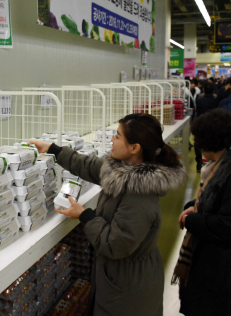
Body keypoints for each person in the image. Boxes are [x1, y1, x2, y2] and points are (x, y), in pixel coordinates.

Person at [29, 113, 186, 316]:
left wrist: (85, 216)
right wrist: (53, 150)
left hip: (129, 287)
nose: (112, 139)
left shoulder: (139, 194)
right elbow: (90, 166)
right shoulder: (125, 169)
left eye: (118, 136)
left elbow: (115, 244)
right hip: (120, 277)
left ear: (134, 148)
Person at [174, 108, 231, 316]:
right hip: (215, 269)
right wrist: (194, 205)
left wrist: (192, 220)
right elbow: (217, 200)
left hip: (230, 275)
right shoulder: (222, 168)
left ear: (210, 140)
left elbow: (229, 225)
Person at [194, 83, 218, 171]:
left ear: (204, 90)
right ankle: (210, 161)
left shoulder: (199, 99)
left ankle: (199, 160)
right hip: (213, 123)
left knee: (198, 142)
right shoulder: (216, 100)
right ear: (213, 91)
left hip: (200, 122)